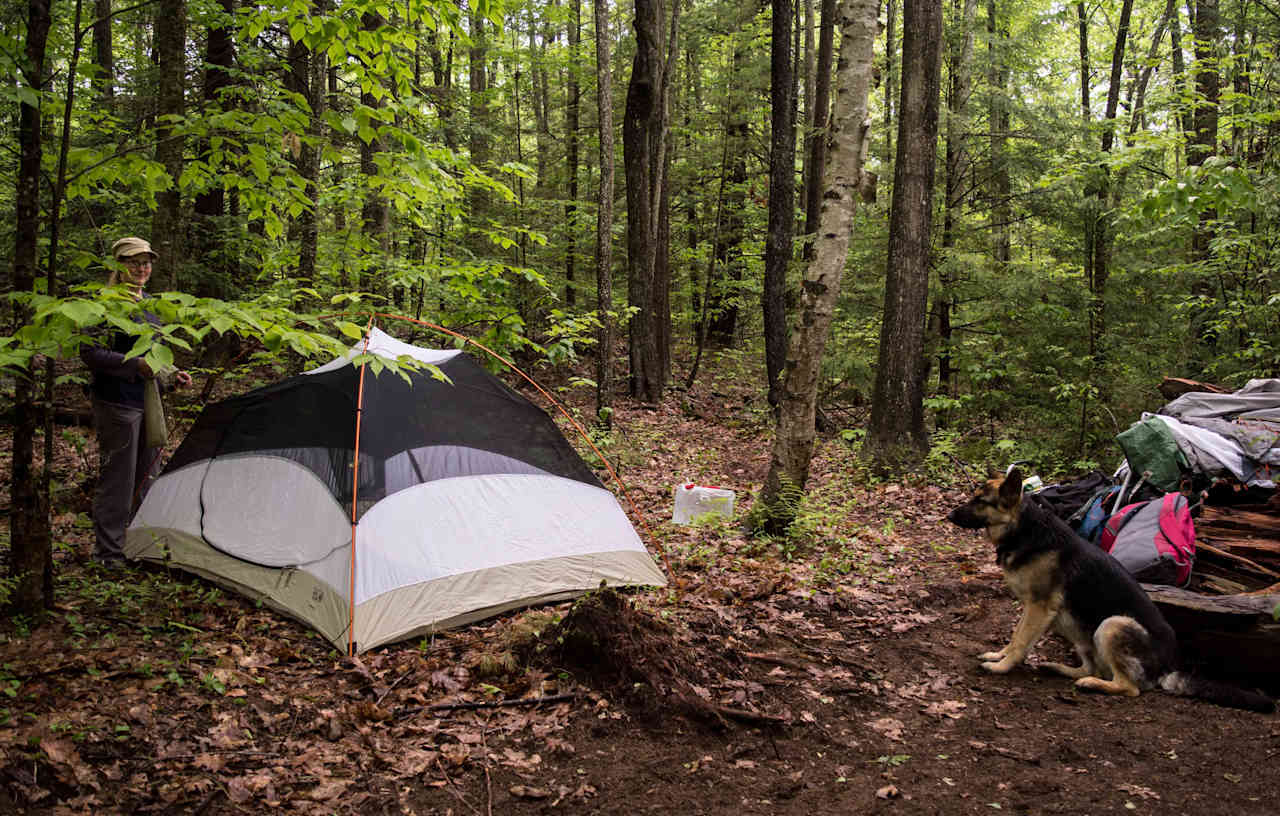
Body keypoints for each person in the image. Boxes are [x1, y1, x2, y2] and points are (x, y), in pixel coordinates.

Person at [81, 237, 192, 567]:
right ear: (119, 265)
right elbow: (89, 352)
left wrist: (172, 375)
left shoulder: (152, 305)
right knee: (119, 480)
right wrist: (132, 366)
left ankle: (141, 547)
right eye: (134, 261)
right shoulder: (103, 303)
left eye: (146, 262)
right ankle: (109, 554)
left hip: (149, 402)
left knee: (148, 476)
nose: (141, 267)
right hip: (117, 404)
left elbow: (152, 354)